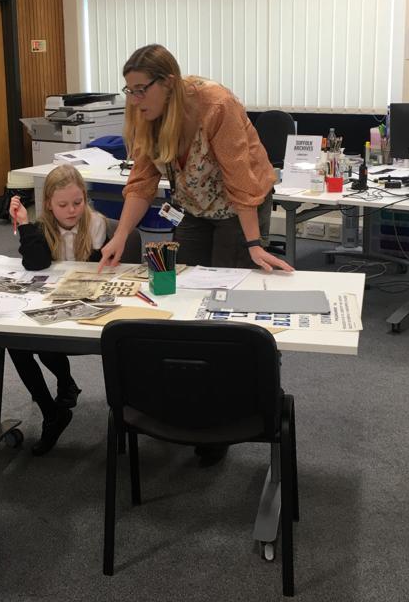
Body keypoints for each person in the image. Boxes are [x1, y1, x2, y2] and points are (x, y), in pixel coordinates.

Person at [98, 44, 293, 464]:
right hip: (195, 207)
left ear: (167, 84)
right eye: (128, 90)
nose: (133, 99)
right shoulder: (147, 114)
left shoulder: (215, 106)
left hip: (240, 206)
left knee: (225, 301)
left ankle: (227, 413)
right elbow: (143, 180)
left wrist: (254, 244)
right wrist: (121, 237)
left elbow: (241, 181)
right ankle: (184, 395)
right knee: (178, 292)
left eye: (140, 90)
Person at [8, 164, 109, 456]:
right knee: (16, 341)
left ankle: (65, 385)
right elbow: (36, 264)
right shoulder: (42, 227)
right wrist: (26, 224)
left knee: (47, 345)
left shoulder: (97, 224)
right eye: (63, 205)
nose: (72, 210)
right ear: (48, 205)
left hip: (89, 307)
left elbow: (101, 273)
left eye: (78, 203)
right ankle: (51, 410)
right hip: (52, 306)